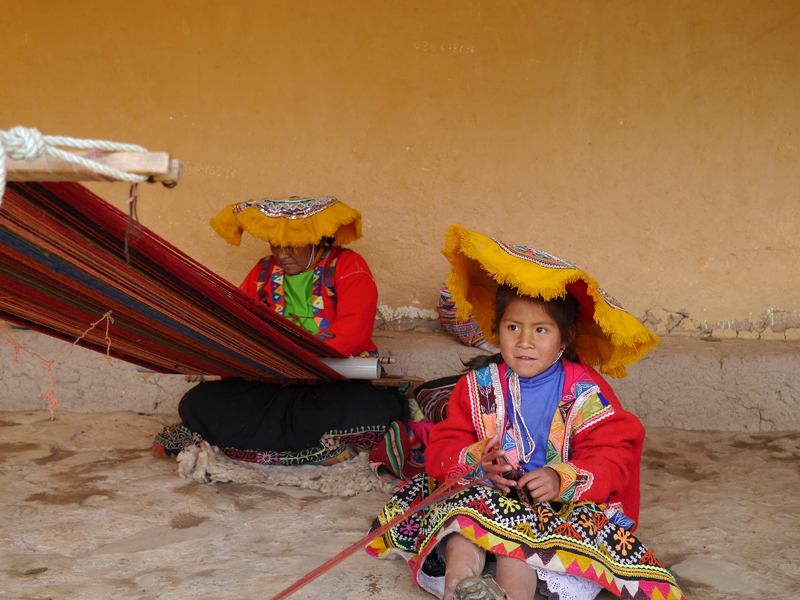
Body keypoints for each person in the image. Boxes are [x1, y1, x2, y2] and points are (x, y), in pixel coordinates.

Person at [367, 225, 684, 600]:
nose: (524, 342)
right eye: (513, 327)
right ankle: (460, 589)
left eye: (541, 330)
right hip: (485, 493)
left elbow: (612, 455)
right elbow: (447, 443)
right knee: (461, 522)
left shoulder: (586, 392)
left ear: (565, 339)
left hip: (552, 507)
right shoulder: (477, 386)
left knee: (517, 547)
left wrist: (558, 477)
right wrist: (476, 462)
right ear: (497, 330)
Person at [153, 196, 408, 465]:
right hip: (270, 382)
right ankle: (312, 446)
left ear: (315, 240)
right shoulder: (263, 271)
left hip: (331, 382)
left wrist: (296, 356)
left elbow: (353, 332)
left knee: (359, 409)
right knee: (199, 402)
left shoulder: (348, 267)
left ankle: (299, 441)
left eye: (291, 246)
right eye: (275, 245)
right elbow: (240, 324)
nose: (281, 254)